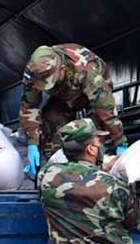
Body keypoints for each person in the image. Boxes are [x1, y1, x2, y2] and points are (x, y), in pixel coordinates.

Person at [20, 44, 125, 177]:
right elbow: (29, 106)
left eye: (50, 80)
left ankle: (97, 174)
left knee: (94, 132)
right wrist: (32, 143)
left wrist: (121, 141)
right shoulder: (34, 72)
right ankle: (60, 172)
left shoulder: (86, 68)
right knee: (51, 119)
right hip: (62, 95)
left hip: (93, 93)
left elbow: (105, 108)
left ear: (62, 68)